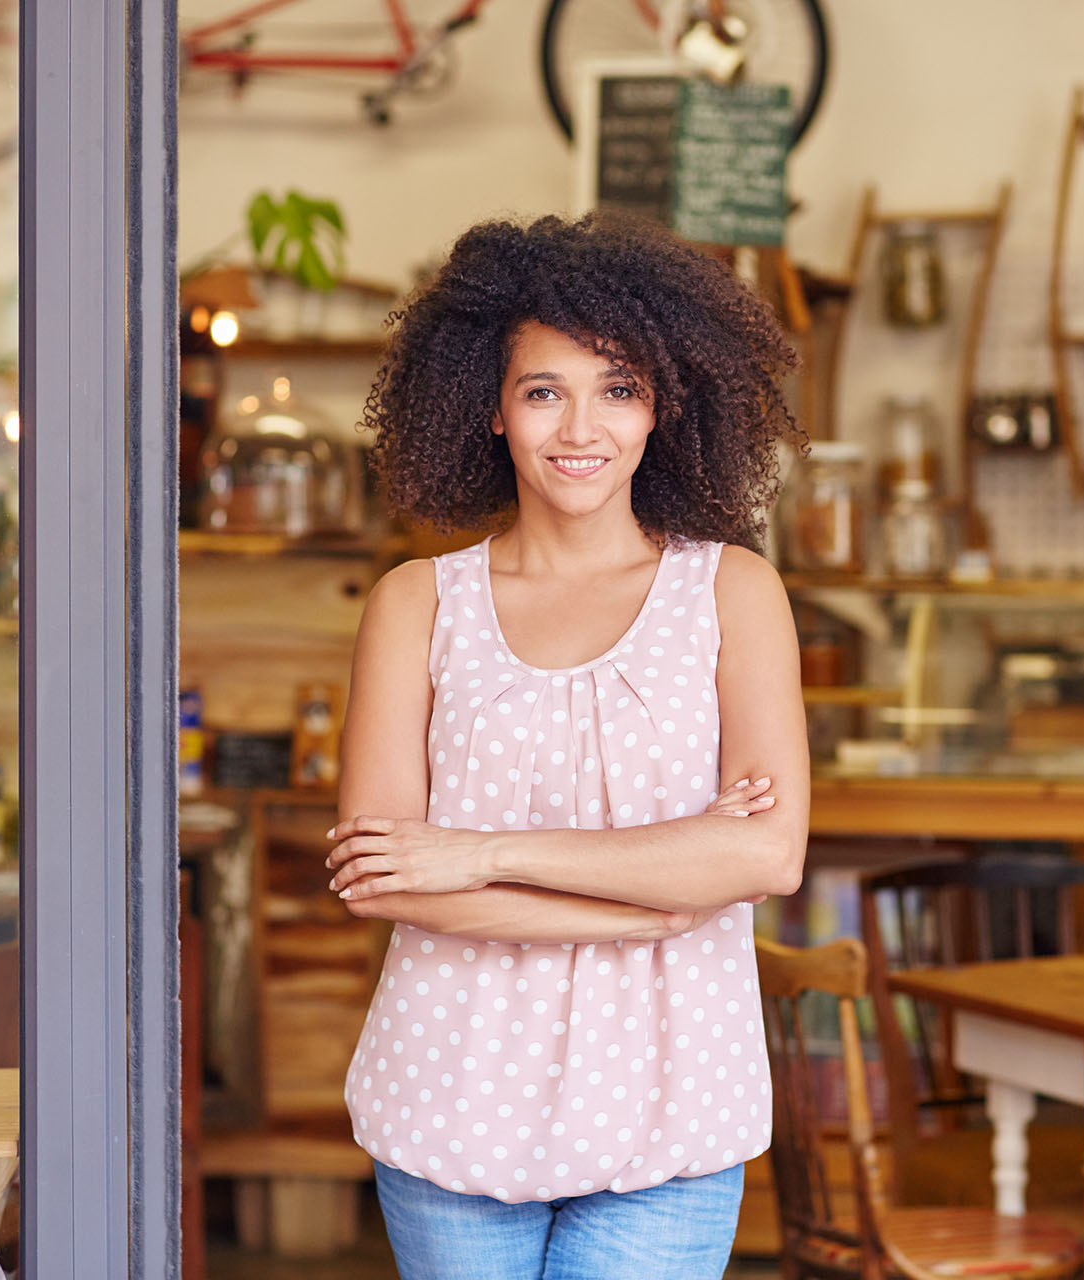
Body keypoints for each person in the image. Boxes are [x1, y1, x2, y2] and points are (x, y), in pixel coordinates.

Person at [326, 212, 811, 1280]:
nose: (579, 426)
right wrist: (667, 893)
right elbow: (378, 874)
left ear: (663, 407)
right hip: (450, 1095)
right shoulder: (417, 605)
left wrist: (480, 852)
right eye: (543, 389)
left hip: (670, 1106)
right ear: (490, 409)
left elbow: (768, 856)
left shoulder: (733, 593)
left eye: (619, 387)